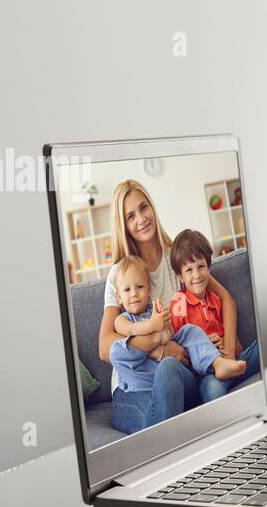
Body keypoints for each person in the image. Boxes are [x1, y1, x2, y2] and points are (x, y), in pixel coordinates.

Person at [97, 179, 242, 433]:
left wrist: (226, 353)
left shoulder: (177, 257)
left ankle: (171, 436)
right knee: (163, 381)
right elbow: (105, 347)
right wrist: (158, 346)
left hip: (177, 374)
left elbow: (226, 301)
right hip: (132, 386)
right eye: (131, 216)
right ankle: (171, 442)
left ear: (152, 207)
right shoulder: (120, 274)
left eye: (144, 208)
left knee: (169, 369)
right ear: (124, 226)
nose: (141, 219)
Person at [108, 255, 246, 425]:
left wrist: (164, 324)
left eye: (140, 287)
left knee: (189, 330)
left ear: (149, 289)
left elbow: (172, 334)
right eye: (127, 290)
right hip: (141, 380)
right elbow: (132, 331)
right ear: (118, 296)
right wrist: (154, 329)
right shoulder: (122, 319)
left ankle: (218, 363)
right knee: (116, 350)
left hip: (168, 374)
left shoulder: (155, 309)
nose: (134, 294)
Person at [168, 228, 261, 400]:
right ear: (180, 276)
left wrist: (226, 346)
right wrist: (205, 347)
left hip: (232, 361)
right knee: (213, 389)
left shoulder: (216, 300)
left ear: (209, 268)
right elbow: (178, 348)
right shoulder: (179, 303)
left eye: (201, 266)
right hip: (207, 374)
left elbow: (237, 346)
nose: (196, 275)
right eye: (189, 270)